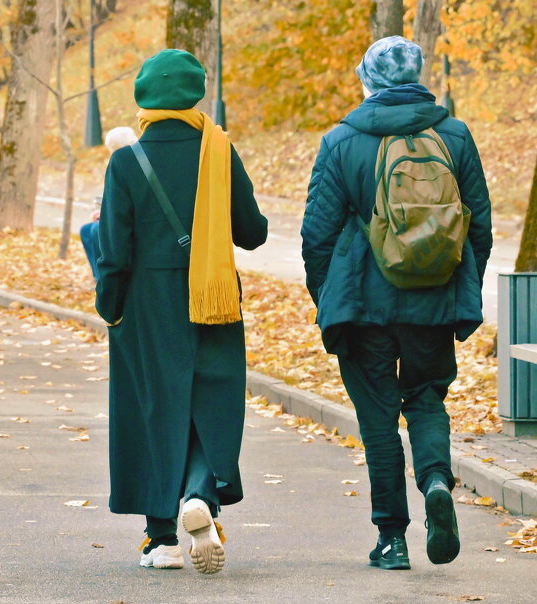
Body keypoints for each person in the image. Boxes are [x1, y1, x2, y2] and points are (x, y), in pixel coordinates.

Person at [300, 36, 492, 571]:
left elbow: (317, 234)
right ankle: (435, 482)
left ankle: (392, 539)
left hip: (363, 303)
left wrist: (327, 296)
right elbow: (479, 223)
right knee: (427, 400)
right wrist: (457, 284)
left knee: (378, 421)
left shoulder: (342, 140)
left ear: (368, 78)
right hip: (432, 300)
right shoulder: (453, 134)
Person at [95, 50, 268, 574]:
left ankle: (162, 538)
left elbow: (113, 250)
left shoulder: (126, 161)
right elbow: (253, 233)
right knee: (208, 402)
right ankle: (199, 493)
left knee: (155, 407)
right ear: (196, 94)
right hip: (213, 299)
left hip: (147, 304)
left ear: (144, 97)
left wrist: (111, 307)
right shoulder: (219, 150)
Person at [79, 126, 138, 277]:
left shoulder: (131, 164)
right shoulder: (123, 163)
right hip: (122, 216)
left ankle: (105, 278)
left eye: (113, 149)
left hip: (133, 221)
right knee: (87, 230)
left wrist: (105, 215)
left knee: (96, 230)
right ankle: (99, 278)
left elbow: (127, 204)